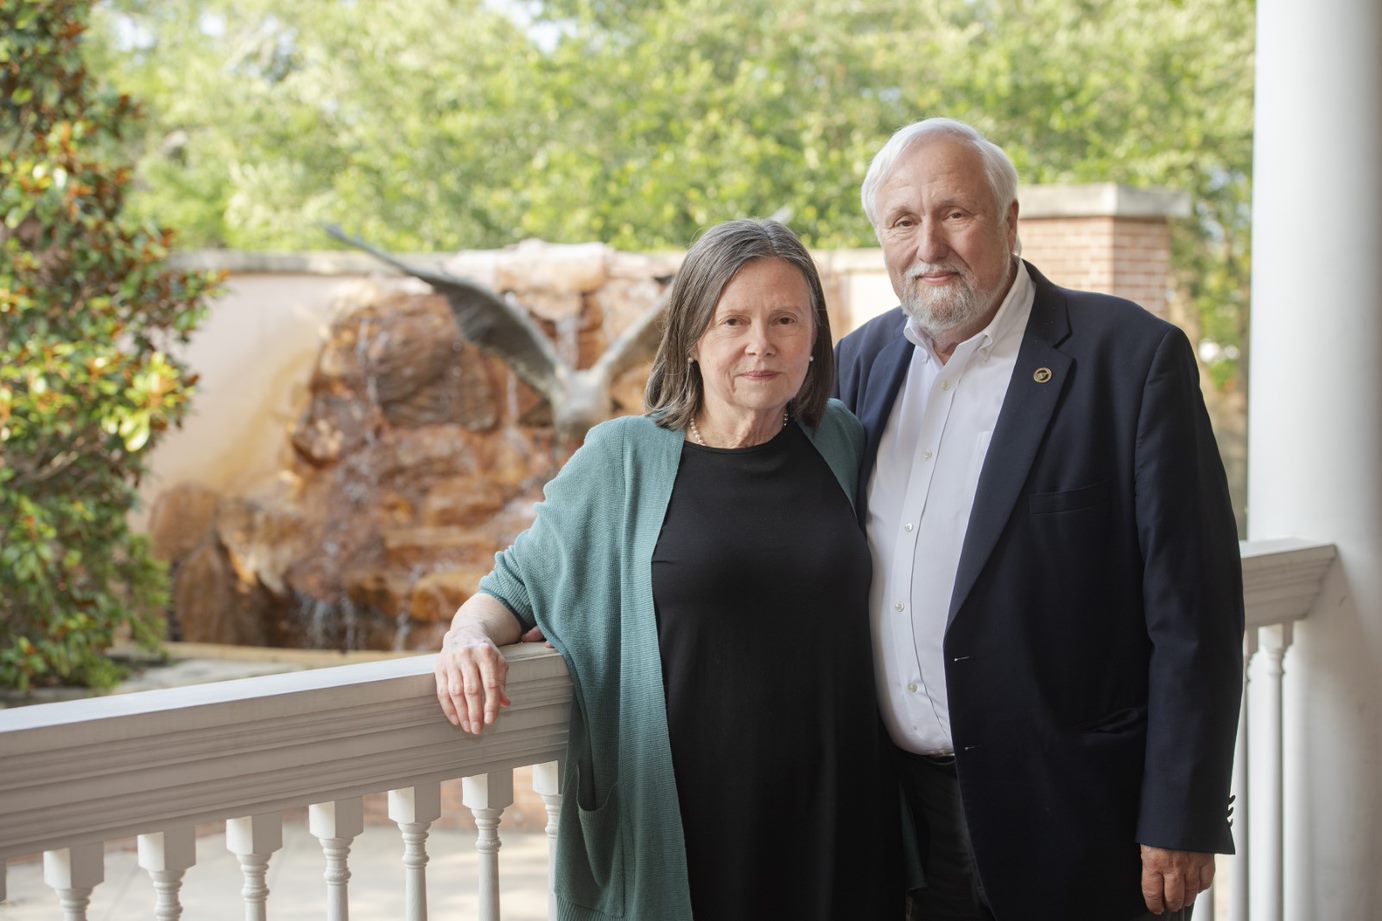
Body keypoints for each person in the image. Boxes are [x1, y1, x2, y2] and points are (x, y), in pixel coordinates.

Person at [834, 118, 1243, 921]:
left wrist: (1180, 812)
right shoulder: (857, 363)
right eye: (904, 222)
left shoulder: (1131, 359)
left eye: (956, 212)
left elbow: (1193, 611)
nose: (930, 246)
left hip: (1084, 822)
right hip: (905, 824)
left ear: (1011, 219)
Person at [435, 219, 903, 921]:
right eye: (732, 320)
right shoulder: (621, 458)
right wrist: (467, 637)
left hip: (833, 813)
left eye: (785, 319)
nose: (760, 343)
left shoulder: (839, 440)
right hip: (686, 821)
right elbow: (509, 588)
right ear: (690, 337)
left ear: (814, 338)